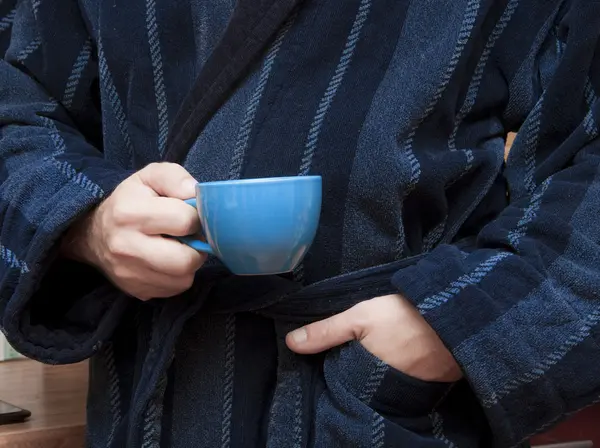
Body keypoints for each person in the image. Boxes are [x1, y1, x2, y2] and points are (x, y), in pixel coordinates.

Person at [1, 0, 599, 446]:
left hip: (379, 411)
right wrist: (87, 220)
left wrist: (461, 323)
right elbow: (14, 97)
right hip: (152, 392)